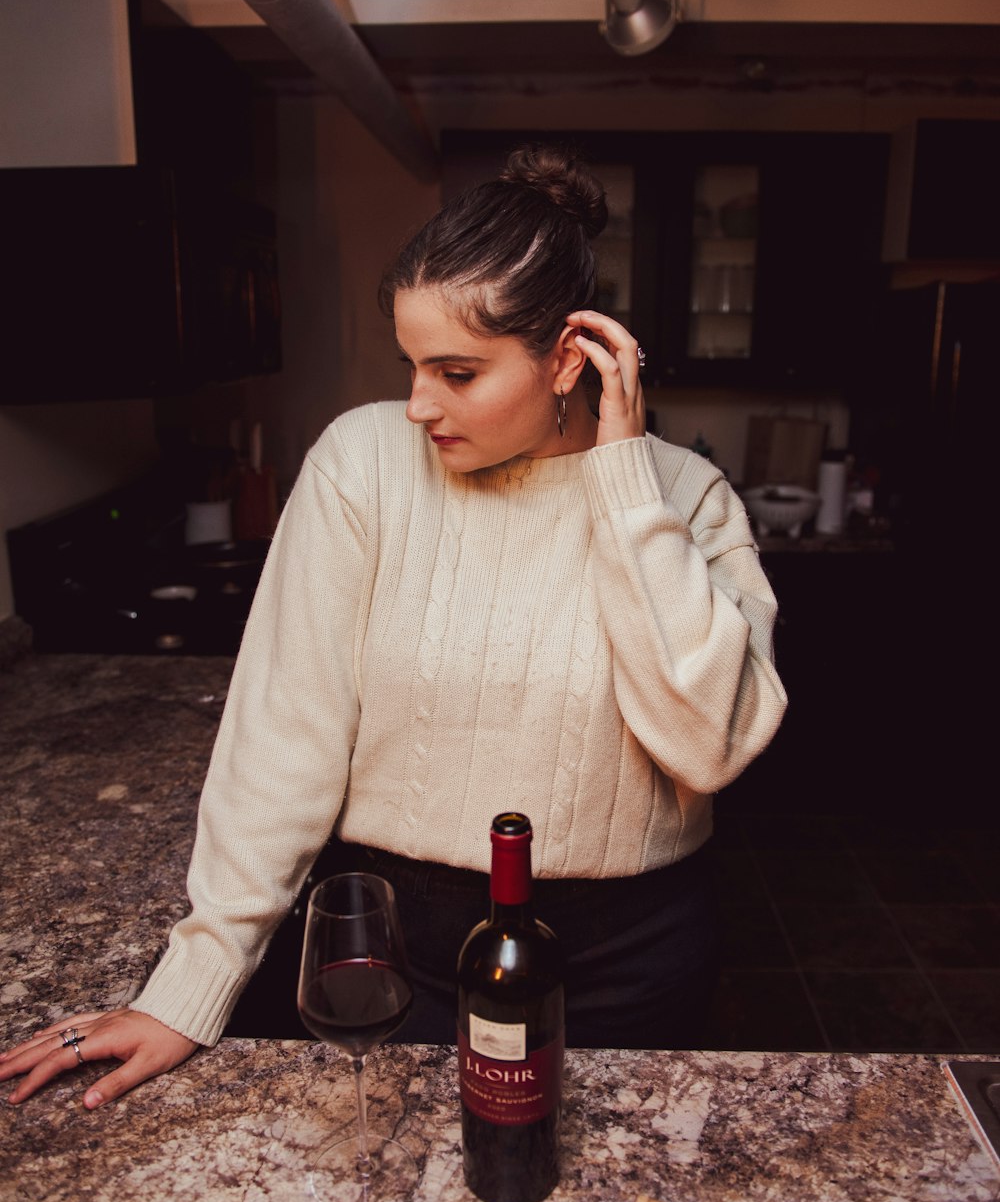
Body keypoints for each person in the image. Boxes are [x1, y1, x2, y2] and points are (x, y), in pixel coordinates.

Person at [1, 144, 786, 1109]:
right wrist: (190, 987)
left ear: (566, 360)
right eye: (412, 365)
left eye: (457, 371)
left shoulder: (686, 497)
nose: (418, 405)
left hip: (627, 958)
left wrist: (623, 485)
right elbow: (285, 733)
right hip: (397, 938)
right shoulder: (362, 464)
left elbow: (706, 744)